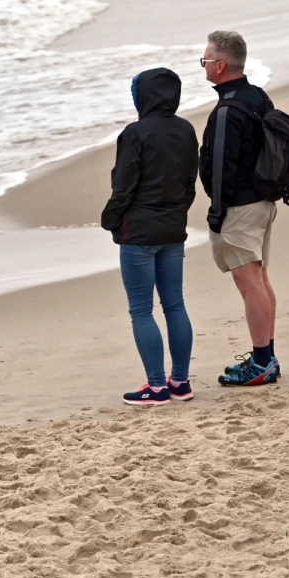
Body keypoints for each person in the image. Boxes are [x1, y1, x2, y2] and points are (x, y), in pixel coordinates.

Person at [101, 67, 199, 406]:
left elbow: (123, 185)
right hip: (173, 229)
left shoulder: (135, 133)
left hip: (139, 232)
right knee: (175, 304)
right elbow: (190, 185)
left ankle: (156, 388)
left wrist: (111, 219)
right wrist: (175, 214)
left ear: (142, 96)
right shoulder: (186, 129)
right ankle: (181, 383)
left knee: (141, 309)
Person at [198, 30, 281, 387]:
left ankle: (262, 362)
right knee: (259, 279)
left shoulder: (227, 111)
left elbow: (218, 170)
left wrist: (217, 212)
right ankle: (266, 357)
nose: (203, 66)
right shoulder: (257, 96)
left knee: (250, 283)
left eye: (205, 61)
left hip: (241, 208)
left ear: (219, 66)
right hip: (263, 200)